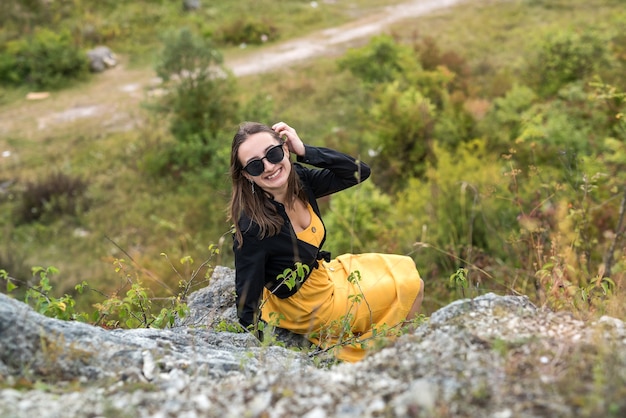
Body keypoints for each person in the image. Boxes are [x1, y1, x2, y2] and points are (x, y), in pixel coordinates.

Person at [228, 121, 424, 362]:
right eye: (256, 165)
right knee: (411, 285)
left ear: (285, 149)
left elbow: (359, 171)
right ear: (247, 175)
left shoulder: (299, 180)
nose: (269, 166)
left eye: (273, 153)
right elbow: (246, 301)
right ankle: (390, 358)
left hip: (323, 277)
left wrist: (305, 151)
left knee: (402, 266)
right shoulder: (253, 227)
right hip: (311, 308)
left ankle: (390, 349)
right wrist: (263, 355)